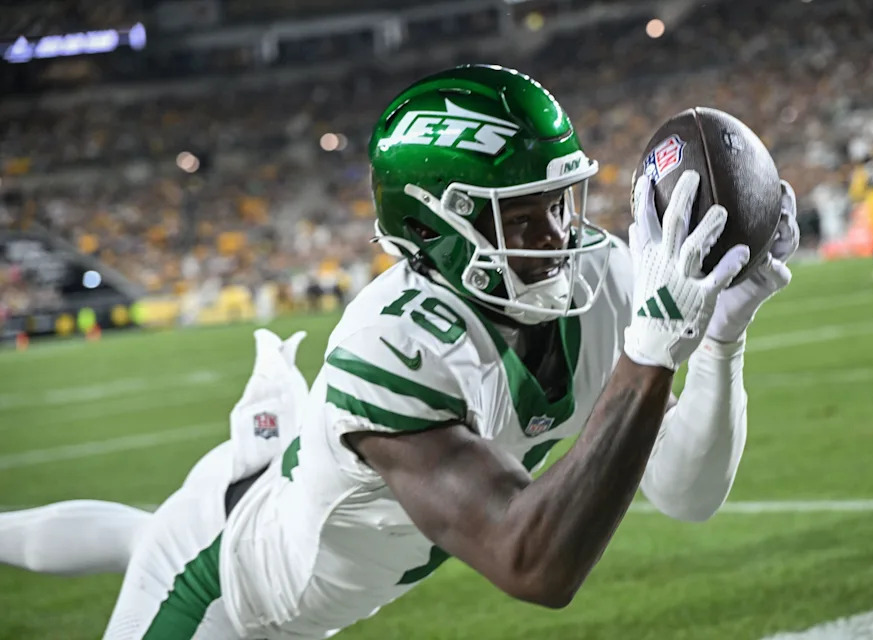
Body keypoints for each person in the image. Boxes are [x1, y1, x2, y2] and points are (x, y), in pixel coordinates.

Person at [0, 65, 799, 639]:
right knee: (158, 540)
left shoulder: (597, 275)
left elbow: (688, 497)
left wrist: (721, 340)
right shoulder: (396, 346)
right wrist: (652, 353)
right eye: (518, 220)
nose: (558, 241)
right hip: (230, 598)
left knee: (147, 529)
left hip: (288, 526)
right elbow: (536, 565)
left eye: (558, 202)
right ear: (431, 231)